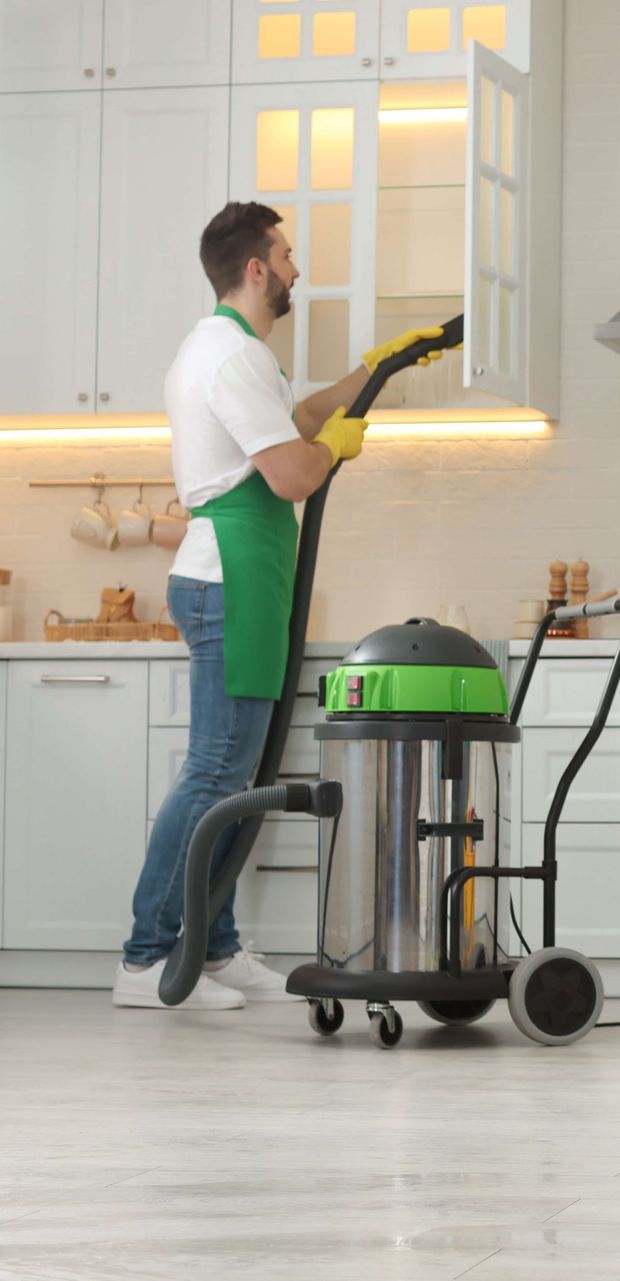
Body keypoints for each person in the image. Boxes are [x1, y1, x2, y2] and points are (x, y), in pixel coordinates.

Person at [113, 201, 450, 1010]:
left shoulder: (238, 354)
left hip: (242, 576)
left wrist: (374, 372)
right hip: (229, 578)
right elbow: (295, 473)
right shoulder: (229, 360)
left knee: (235, 774)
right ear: (257, 268)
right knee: (215, 775)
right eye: (288, 256)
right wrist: (334, 448)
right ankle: (149, 957)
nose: (297, 269)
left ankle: (214, 947)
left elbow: (297, 421)